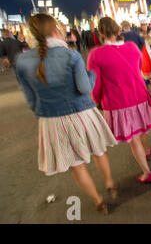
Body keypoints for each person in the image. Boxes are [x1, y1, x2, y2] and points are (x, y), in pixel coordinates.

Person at [15, 13, 118, 214]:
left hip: (51, 120)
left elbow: (30, 99)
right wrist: (93, 74)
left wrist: (44, 112)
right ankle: (109, 183)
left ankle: (98, 201)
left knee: (76, 165)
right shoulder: (71, 55)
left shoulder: (22, 62)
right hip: (81, 113)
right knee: (98, 150)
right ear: (55, 29)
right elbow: (84, 87)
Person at [87, 17, 151, 184]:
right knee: (141, 130)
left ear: (100, 34)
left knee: (134, 140)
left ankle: (146, 172)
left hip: (119, 102)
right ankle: (146, 150)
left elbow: (95, 84)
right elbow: (140, 66)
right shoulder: (133, 47)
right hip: (139, 96)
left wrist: (97, 100)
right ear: (119, 31)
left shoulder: (96, 55)